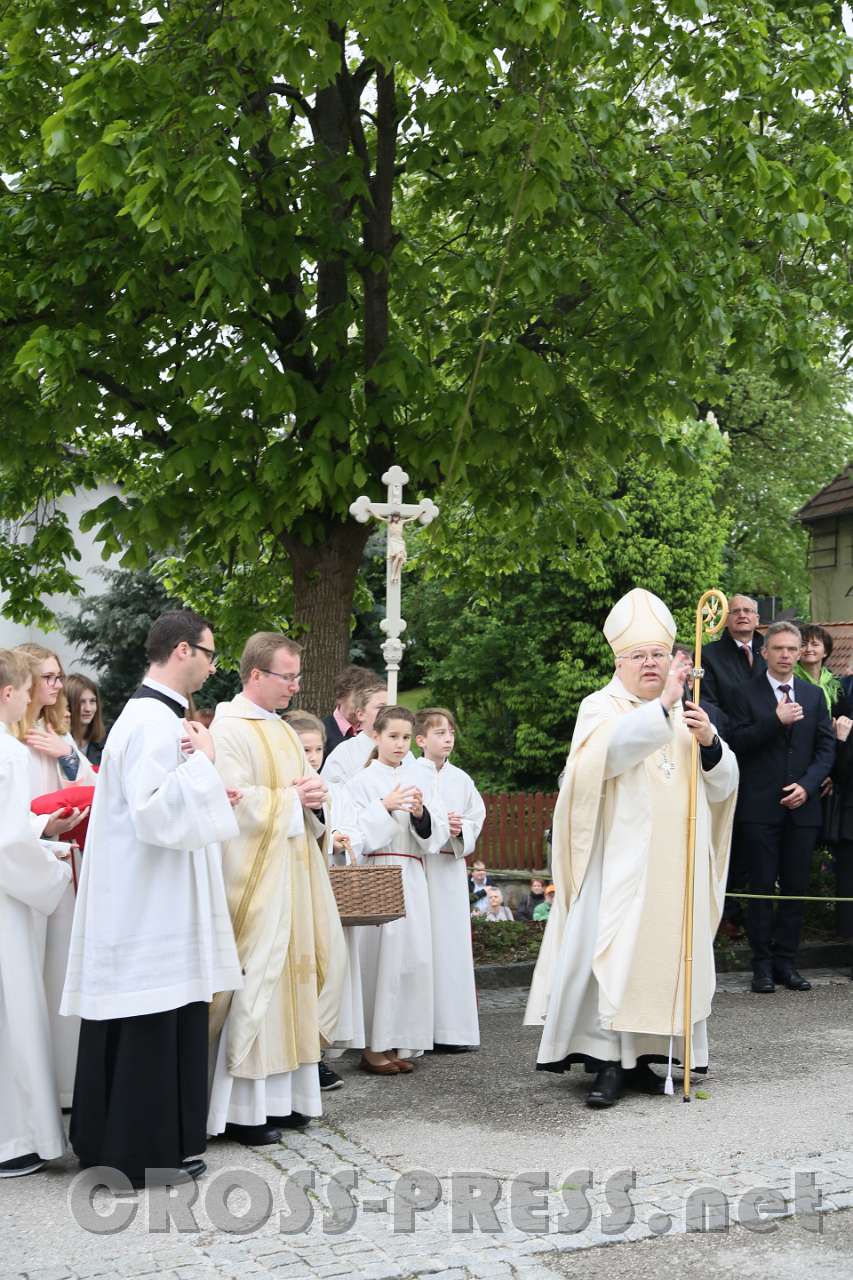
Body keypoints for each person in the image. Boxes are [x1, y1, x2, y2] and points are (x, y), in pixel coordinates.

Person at [525, 588, 739, 1110]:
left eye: (658, 655)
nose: (651, 664)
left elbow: (723, 787)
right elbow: (602, 761)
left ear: (672, 658)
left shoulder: (691, 712)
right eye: (639, 656)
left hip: (675, 866)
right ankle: (606, 1065)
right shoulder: (600, 707)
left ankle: (649, 1059)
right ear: (619, 661)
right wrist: (661, 708)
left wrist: (711, 743)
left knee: (667, 954)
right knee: (615, 956)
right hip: (618, 863)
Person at [61, 610, 243, 1188]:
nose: (213, 667)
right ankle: (140, 1151)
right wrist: (207, 765)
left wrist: (205, 776)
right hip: (148, 904)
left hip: (153, 895)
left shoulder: (156, 718)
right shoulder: (149, 722)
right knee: (149, 1020)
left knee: (155, 1020)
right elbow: (153, 811)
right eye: (211, 655)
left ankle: (139, 1141)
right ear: (183, 650)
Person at [208, 635, 347, 1145]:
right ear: (256, 675)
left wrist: (312, 801)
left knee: (296, 982)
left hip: (295, 872)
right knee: (260, 985)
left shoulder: (287, 732)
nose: (296, 684)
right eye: (287, 676)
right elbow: (231, 805)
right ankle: (246, 1112)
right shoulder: (227, 731)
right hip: (258, 877)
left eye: (297, 676)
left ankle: (288, 1100)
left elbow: (306, 794)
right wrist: (291, 800)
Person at [727, 620, 836, 994]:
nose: (787, 655)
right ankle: (761, 966)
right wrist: (774, 721)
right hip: (759, 807)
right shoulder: (745, 694)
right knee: (760, 887)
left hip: (802, 809)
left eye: (793, 648)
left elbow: (826, 749)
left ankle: (787, 964)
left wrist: (807, 786)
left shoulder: (813, 695)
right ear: (765, 651)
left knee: (795, 887)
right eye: (779, 649)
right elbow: (736, 742)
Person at [0, 650, 74, 1177]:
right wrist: (54, 871)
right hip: (9, 900)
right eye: (28, 688)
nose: (32, 698)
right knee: (14, 1010)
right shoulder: (8, 753)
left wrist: (40, 833)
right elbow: (7, 843)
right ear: (8, 692)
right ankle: (14, 1137)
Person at [345, 705, 449, 1074]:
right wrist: (383, 808)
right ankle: (374, 1046)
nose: (401, 744)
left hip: (413, 875)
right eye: (393, 736)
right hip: (380, 872)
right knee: (381, 962)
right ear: (376, 736)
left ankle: (401, 1040)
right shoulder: (361, 783)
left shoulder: (420, 777)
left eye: (406, 737)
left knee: (412, 959)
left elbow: (434, 837)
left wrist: (422, 816)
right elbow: (353, 835)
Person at [14, 644, 96, 1109]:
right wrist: (38, 826)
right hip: (23, 864)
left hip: (63, 862)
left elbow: (89, 783)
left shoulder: (55, 731)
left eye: (59, 676)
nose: (57, 685)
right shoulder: (9, 736)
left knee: (62, 971)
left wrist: (67, 755)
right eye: (47, 677)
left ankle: (65, 1086)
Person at [285, 710, 357, 1090]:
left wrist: (343, 838)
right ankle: (301, 1057)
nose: (313, 756)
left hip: (325, 888)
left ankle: (316, 1050)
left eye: (317, 748)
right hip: (291, 891)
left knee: (329, 967)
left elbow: (349, 826)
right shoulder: (284, 789)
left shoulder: (333, 790)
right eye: (304, 748)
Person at [413, 708, 485, 1054]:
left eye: (451, 733)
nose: (448, 739)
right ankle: (418, 1029)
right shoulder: (410, 773)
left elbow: (476, 816)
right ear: (421, 740)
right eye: (440, 733)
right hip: (421, 867)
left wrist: (461, 830)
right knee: (421, 946)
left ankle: (453, 1029)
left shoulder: (462, 779)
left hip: (450, 871)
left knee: (451, 946)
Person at [699, 598, 766, 940]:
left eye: (748, 611)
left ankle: (759, 917)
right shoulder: (710, 656)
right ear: (725, 620)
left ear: (758, 618)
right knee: (729, 837)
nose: (742, 616)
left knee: (760, 845)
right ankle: (727, 914)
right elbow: (708, 704)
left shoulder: (769, 650)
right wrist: (737, 735)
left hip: (767, 761)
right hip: (729, 756)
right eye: (735, 611)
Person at [321, 681, 400, 785]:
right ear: (361, 714)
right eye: (381, 707)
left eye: (392, 708)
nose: (389, 712)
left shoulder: (403, 751)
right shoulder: (344, 753)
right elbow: (332, 795)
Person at [322, 665, 376, 761]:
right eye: (357, 698)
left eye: (366, 699)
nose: (362, 704)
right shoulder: (322, 732)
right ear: (340, 697)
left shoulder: (373, 731)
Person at [795, 624, 845, 715]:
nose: (809, 649)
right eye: (803, 644)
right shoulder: (789, 681)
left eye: (815, 644)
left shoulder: (835, 686)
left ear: (825, 652)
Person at [65, 674, 107, 766]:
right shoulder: (58, 741)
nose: (88, 709)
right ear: (68, 705)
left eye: (92, 701)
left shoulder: (107, 745)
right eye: (81, 702)